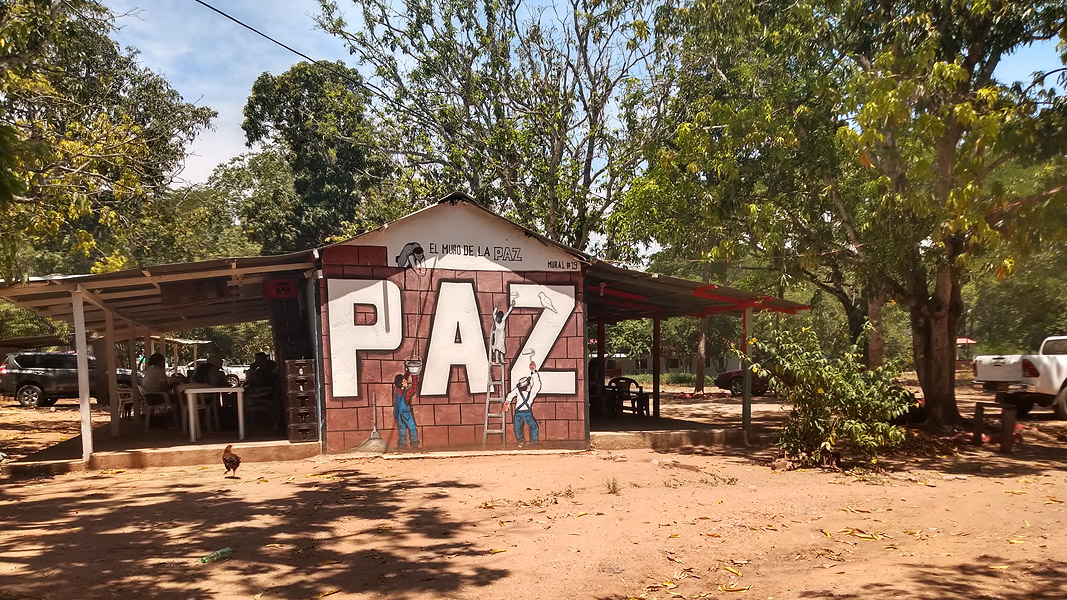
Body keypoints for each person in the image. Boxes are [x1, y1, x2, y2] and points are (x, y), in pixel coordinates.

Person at [505, 367, 541, 447]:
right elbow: (537, 384)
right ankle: (534, 442)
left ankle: (520, 441)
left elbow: (510, 395)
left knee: (518, 428)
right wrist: (533, 371)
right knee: (533, 426)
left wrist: (507, 402)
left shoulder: (517, 390)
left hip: (518, 413)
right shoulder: (532, 393)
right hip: (527, 413)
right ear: (528, 385)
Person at [392, 373, 420, 450]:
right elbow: (414, 388)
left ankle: (402, 445)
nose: (406, 381)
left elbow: (403, 380)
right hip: (406, 413)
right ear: (401, 383)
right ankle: (414, 444)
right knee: (412, 428)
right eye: (404, 381)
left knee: (402, 429)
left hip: (398, 413)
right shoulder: (407, 393)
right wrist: (414, 376)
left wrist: (407, 373)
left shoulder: (396, 390)